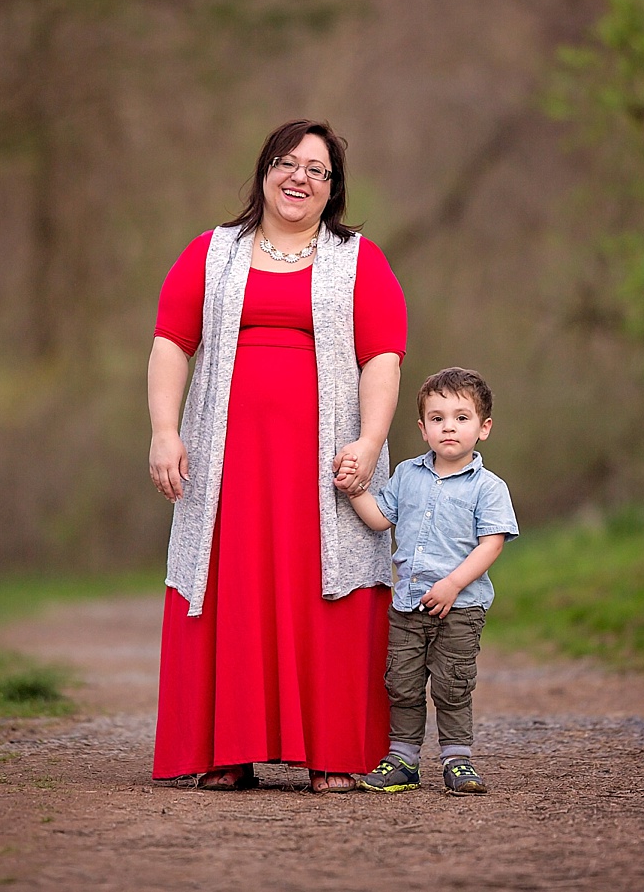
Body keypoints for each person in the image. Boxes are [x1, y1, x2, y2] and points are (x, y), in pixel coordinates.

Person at [146, 119, 407, 793]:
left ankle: (332, 753)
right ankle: (227, 749)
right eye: (287, 163)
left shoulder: (359, 260)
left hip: (325, 466)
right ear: (263, 172)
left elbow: (382, 356)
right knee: (231, 588)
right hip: (227, 463)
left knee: (328, 590)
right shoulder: (213, 252)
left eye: (317, 170)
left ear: (333, 190)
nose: (300, 178)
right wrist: (164, 430)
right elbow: (172, 340)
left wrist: (370, 442)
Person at [338, 366, 518, 795]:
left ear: (484, 427)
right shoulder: (407, 476)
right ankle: (403, 760)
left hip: (461, 607)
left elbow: (491, 545)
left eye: (461, 417)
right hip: (408, 605)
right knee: (402, 684)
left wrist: (454, 584)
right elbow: (381, 520)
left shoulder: (488, 488)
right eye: (437, 419)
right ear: (423, 428)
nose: (448, 427)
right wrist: (354, 490)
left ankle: (458, 761)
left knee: (452, 686)